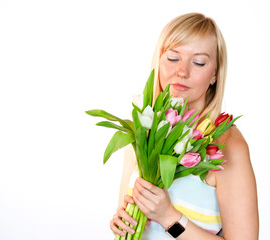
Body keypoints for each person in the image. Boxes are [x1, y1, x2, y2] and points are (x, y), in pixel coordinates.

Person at [110, 13, 259, 239]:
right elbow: (131, 214)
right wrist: (123, 221)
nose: (182, 71)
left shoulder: (227, 147)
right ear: (158, 61)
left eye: (198, 62)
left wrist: (170, 217)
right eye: (172, 58)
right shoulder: (143, 131)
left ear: (215, 75)